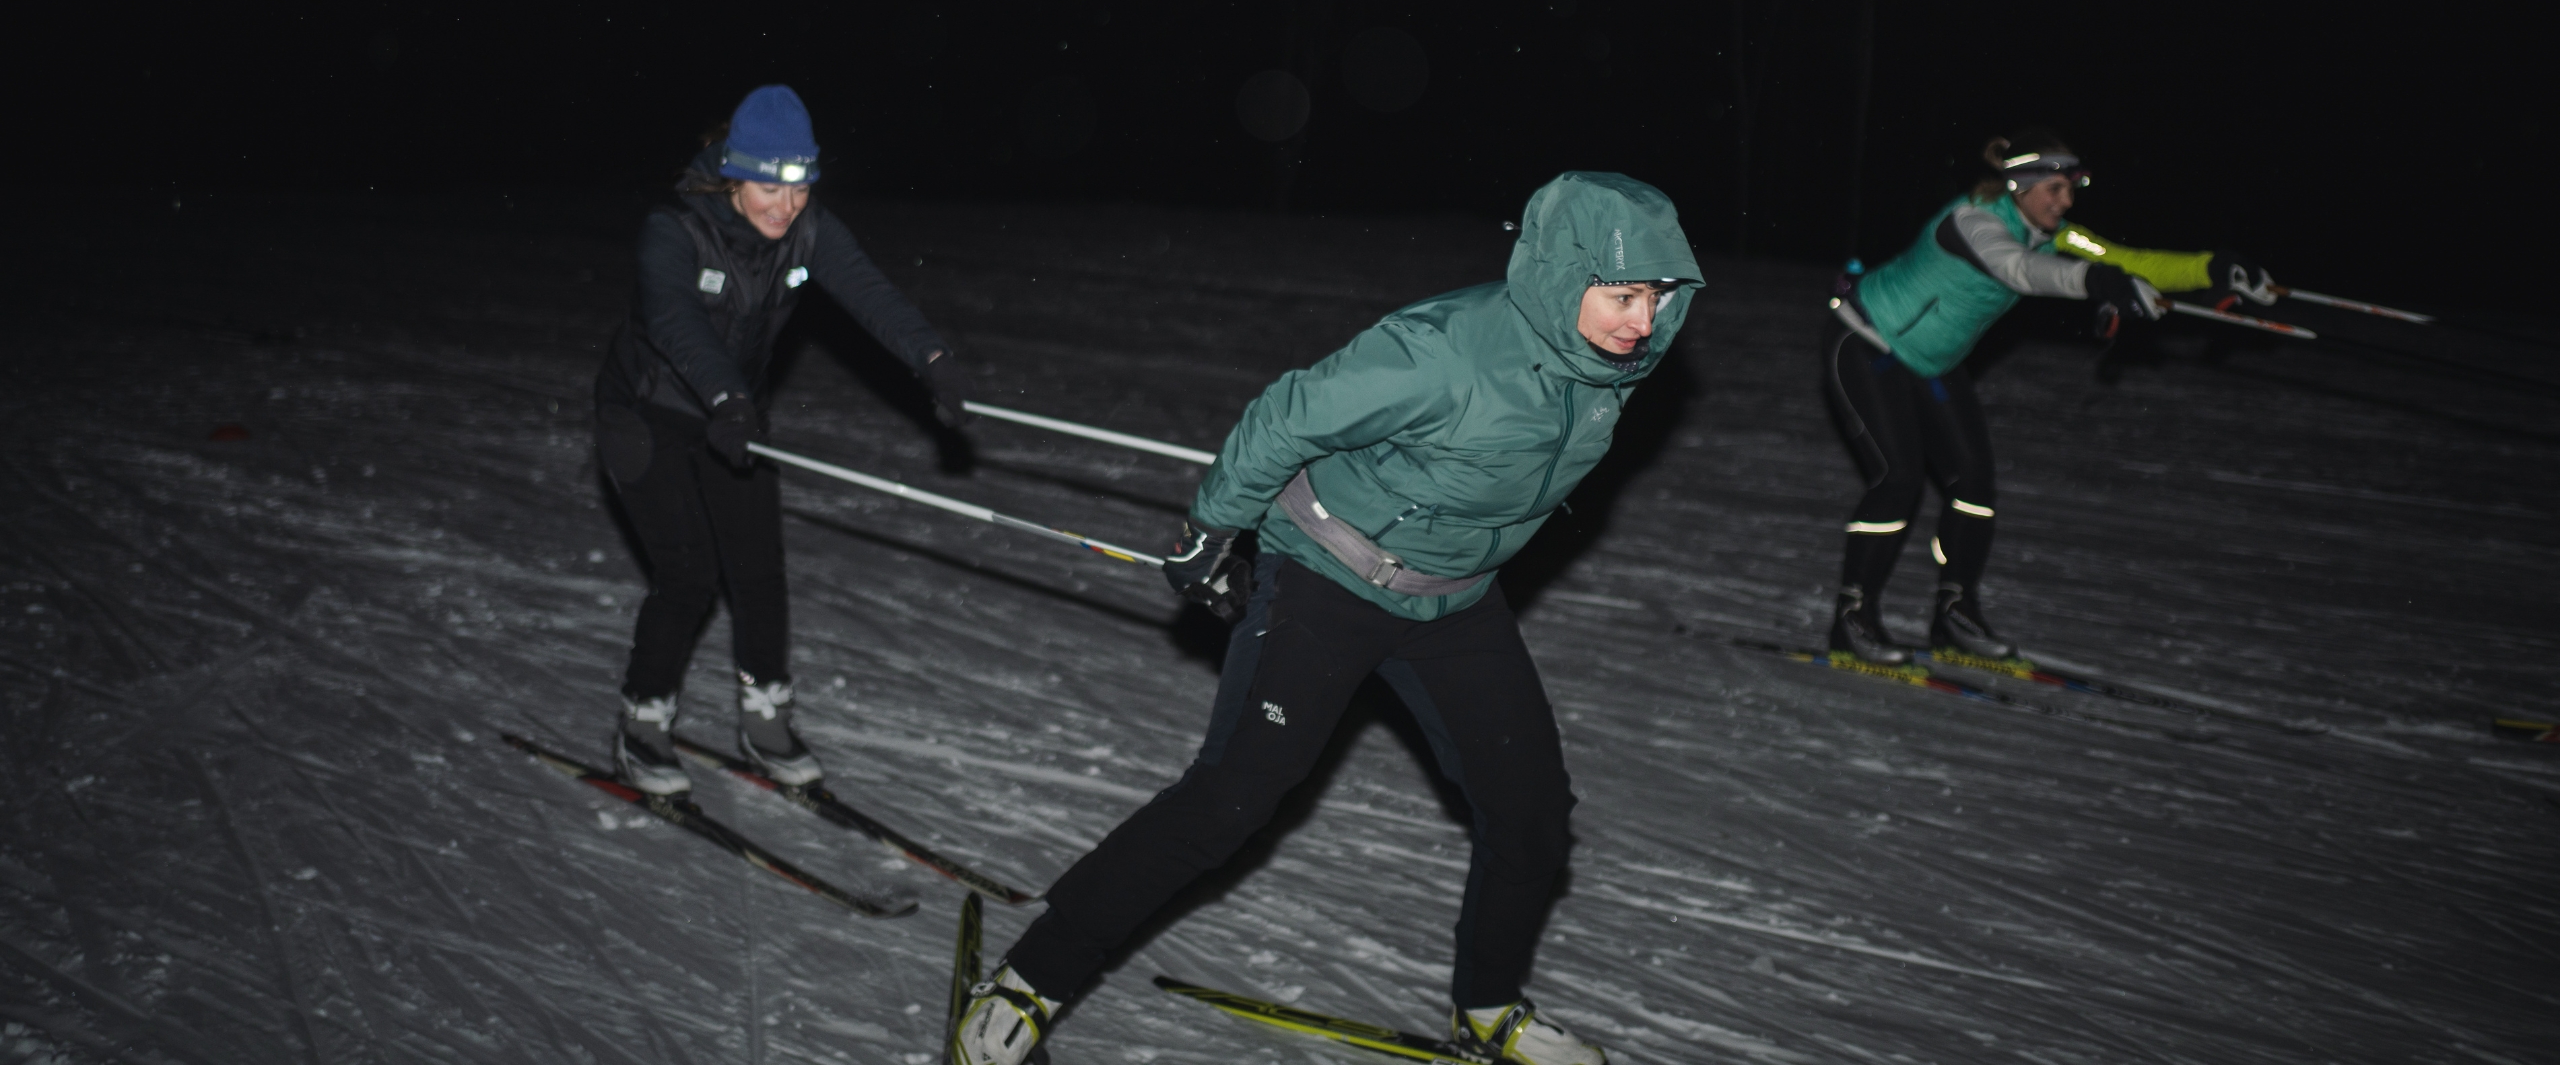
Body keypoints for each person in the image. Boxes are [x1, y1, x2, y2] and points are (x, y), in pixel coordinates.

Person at [949, 172, 1702, 1065]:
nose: (1642, 322)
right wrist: (1211, 532)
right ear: (1562, 277)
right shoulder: (1440, 350)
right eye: (1623, 296)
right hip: (1327, 578)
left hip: (1453, 599)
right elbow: (1289, 416)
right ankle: (1030, 978)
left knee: (1533, 814)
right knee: (1229, 801)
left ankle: (1489, 1008)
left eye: (1657, 298)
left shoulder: (1612, 368)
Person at [593, 84, 972, 794]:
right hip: (646, 414)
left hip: (733, 413)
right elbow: (676, 322)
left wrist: (932, 359)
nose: (786, 205)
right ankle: (642, 720)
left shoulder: (807, 229)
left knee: (759, 569)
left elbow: (869, 292)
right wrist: (729, 397)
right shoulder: (674, 231)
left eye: (799, 188)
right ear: (734, 175)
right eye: (770, 187)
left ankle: (765, 715)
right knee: (689, 574)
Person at [1821, 128, 2272, 665]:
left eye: (2072, 188)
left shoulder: (2055, 235)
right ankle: (1853, 616)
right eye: (2055, 189)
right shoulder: (1973, 221)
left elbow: (2128, 260)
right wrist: (2094, 282)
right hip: (1867, 344)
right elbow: (2018, 268)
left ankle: (1955, 613)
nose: (2067, 201)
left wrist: (2211, 267)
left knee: (1974, 482)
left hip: (1932, 364)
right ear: (2019, 185)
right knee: (1899, 479)